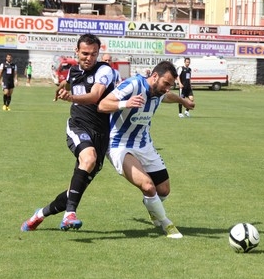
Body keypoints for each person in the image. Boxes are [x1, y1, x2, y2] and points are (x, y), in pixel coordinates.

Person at [21, 34, 115, 232]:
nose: (89, 58)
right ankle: (69, 215)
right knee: (88, 159)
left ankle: (39, 215)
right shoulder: (73, 70)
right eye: (85, 53)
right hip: (78, 127)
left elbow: (96, 95)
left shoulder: (104, 70)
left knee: (75, 190)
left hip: (101, 135)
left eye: (93, 54)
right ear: (77, 52)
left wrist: (70, 95)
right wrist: (62, 88)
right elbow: (70, 81)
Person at [98, 61, 195, 239]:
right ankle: (166, 223)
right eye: (165, 83)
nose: (167, 88)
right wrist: (125, 103)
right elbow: (103, 105)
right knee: (148, 186)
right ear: (155, 76)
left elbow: (168, 97)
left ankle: (152, 206)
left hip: (144, 145)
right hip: (119, 145)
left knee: (163, 190)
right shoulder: (134, 84)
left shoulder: (159, 92)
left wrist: (183, 101)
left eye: (170, 85)